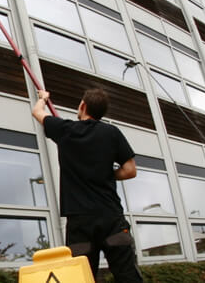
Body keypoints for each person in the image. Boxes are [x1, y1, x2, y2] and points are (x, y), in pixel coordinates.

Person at [32, 87, 143, 282]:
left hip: (80, 224)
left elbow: (37, 112)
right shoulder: (112, 132)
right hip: (111, 219)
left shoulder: (65, 130)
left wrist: (43, 98)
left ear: (82, 105)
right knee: (128, 276)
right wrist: (107, 175)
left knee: (81, 277)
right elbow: (130, 170)